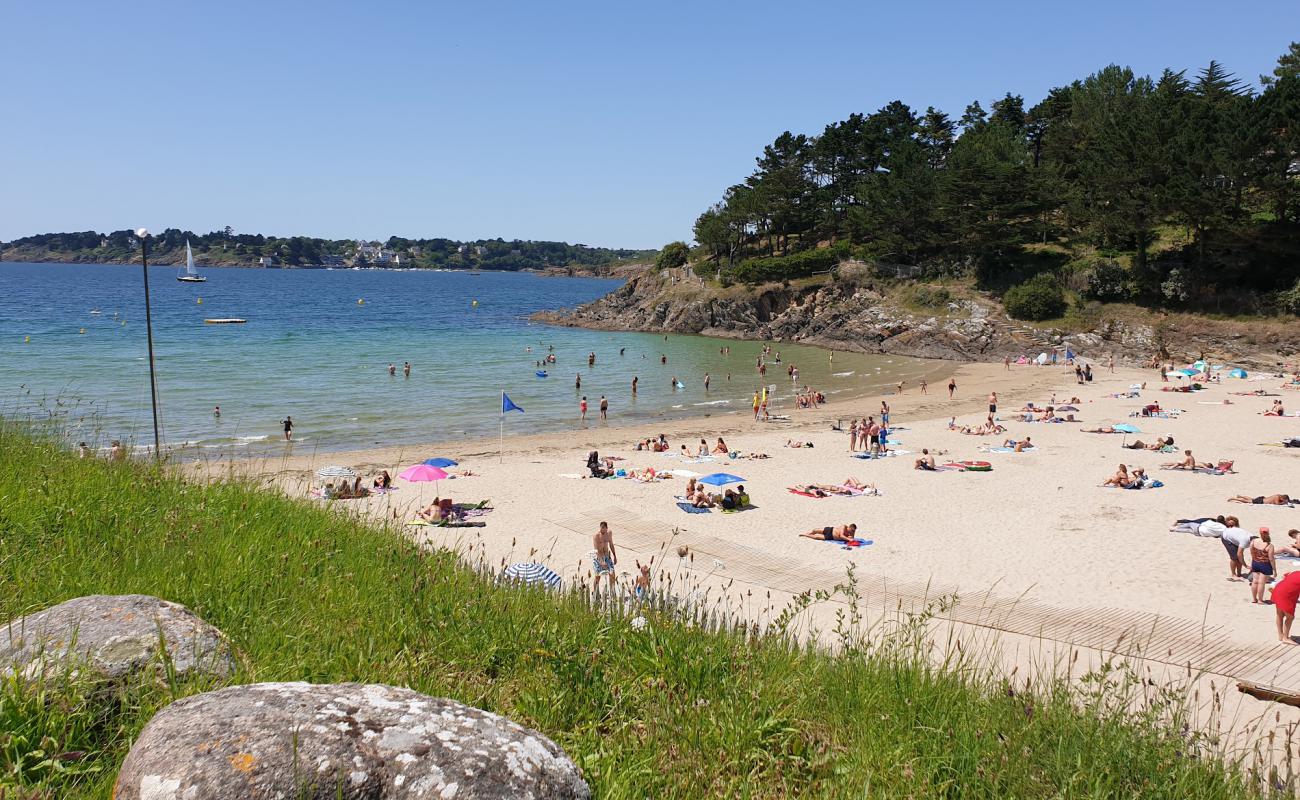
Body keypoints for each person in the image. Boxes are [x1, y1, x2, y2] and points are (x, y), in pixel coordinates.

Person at [1249, 528, 1277, 604]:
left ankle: (1254, 599)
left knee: (1255, 582)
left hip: (1255, 563)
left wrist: (1254, 559)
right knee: (1261, 583)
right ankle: (1260, 600)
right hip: (1265, 564)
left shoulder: (1254, 541)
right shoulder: (1269, 545)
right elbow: (1271, 559)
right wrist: (1274, 570)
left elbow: (1251, 551)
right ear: (1268, 533)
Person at [1272, 569, 1300, 644]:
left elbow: (1284, 576)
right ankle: (1285, 638)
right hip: (1286, 595)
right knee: (1290, 617)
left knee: (1279, 615)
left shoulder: (1296, 572)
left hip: (1278, 589)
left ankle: (1281, 635)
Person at [1221, 516, 1252, 581]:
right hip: (1226, 539)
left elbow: (1240, 555)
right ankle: (1233, 574)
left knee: (1239, 557)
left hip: (1234, 538)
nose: (1231, 525)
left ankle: (1239, 573)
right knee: (1234, 558)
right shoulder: (1243, 538)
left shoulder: (1242, 533)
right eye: (1230, 524)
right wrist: (1245, 565)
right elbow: (1239, 554)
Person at [1230, 494, 1295, 506]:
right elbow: (1277, 503)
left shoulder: (1278, 495)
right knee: (1247, 501)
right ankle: (1234, 498)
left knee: (1251, 498)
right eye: (1283, 499)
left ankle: (1240, 496)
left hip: (1262, 498)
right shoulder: (1277, 497)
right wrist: (1283, 503)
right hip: (1261, 501)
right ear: (1283, 498)